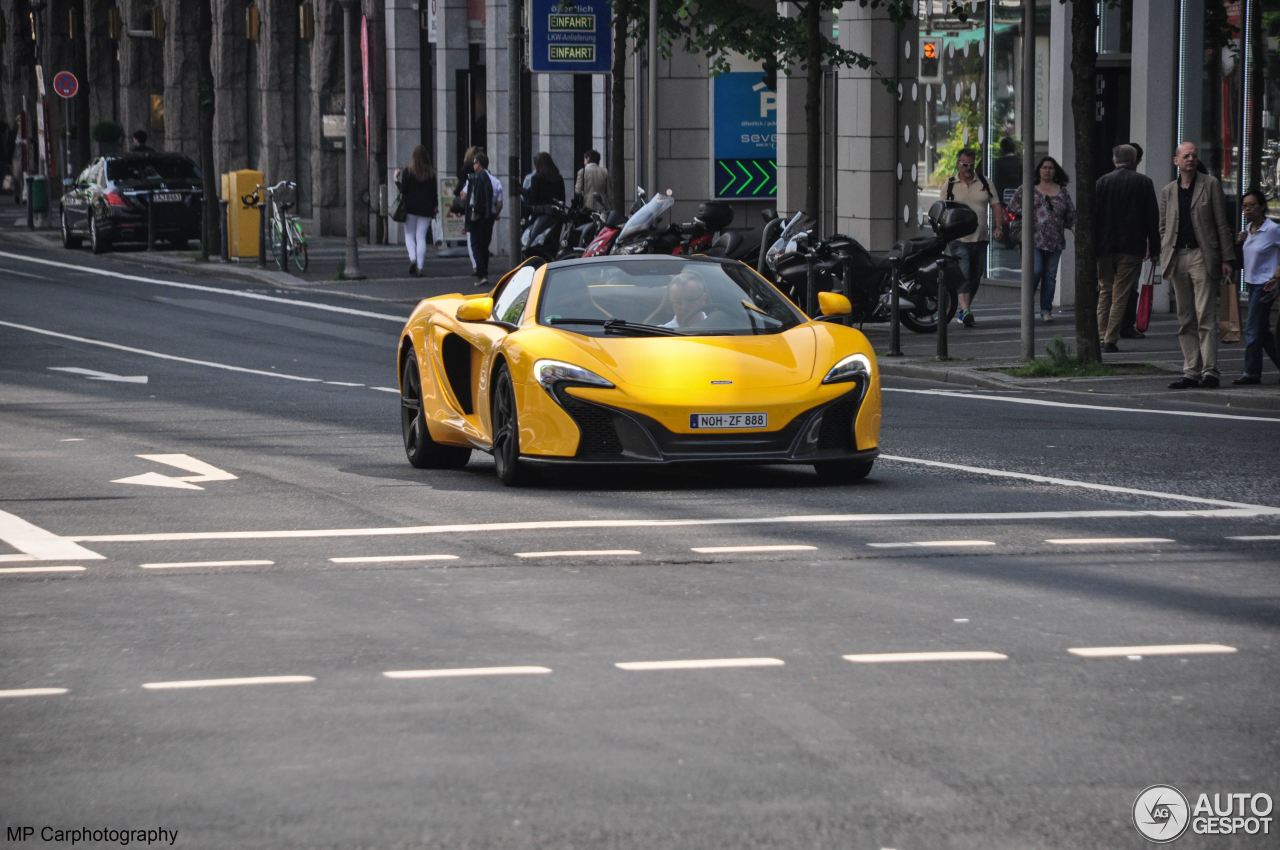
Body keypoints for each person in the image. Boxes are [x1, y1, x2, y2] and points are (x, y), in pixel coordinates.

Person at [1159, 141, 1235, 389]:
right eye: (1186, 156)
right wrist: (1164, 248)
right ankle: (1190, 370)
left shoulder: (1210, 184)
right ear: (1176, 161)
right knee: (1185, 317)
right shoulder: (1168, 191)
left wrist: (1226, 258)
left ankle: (1210, 370)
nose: (1191, 159)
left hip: (1202, 255)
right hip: (1177, 256)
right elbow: (1163, 226)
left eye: (1193, 155)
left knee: (1205, 315)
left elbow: (1221, 222)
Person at [1094, 144, 1160, 352]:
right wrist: (1155, 247)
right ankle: (1111, 338)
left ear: (1115, 160)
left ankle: (1100, 332)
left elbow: (1094, 215)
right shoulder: (1144, 183)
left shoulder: (1102, 182)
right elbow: (1152, 217)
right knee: (1121, 292)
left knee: (1105, 289)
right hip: (1132, 245)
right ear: (1134, 161)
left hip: (1104, 246)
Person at [1008, 156, 1075, 323]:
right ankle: (1027, 304)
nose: (1047, 171)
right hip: (1032, 239)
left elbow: (1071, 216)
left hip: (1055, 240)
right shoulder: (1028, 189)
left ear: (1055, 171)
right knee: (1036, 270)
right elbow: (1012, 209)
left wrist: (1076, 231)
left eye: (1051, 168)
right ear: (1038, 170)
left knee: (1050, 276)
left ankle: (1046, 310)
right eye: (1044, 167)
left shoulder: (1062, 191)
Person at [944, 148, 1004, 327]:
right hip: (958, 238)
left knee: (975, 275)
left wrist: (998, 226)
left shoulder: (985, 182)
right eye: (964, 165)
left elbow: (996, 205)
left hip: (980, 237)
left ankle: (964, 310)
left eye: (971, 164)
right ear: (958, 164)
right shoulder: (950, 184)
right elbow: (942, 208)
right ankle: (966, 310)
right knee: (964, 272)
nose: (968, 168)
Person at [1231, 189, 1280, 384]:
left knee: (1252, 329)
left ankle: (1251, 372)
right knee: (1262, 331)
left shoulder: (1272, 229)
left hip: (1265, 285)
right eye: (1245, 206)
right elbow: (1242, 259)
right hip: (1251, 283)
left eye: (1252, 205)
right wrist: (1239, 242)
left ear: (1261, 206)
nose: (1247, 209)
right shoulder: (1249, 230)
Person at [457, 151, 503, 287]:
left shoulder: (474, 179)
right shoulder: (495, 181)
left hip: (476, 216)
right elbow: (500, 203)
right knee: (484, 245)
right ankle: (485, 272)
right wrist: (495, 214)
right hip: (489, 217)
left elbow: (464, 195)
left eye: (475, 162)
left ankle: (481, 273)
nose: (473, 165)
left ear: (480, 164)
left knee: (475, 244)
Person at [393, 144, 439, 277]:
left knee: (409, 235)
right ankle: (420, 266)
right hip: (426, 209)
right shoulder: (431, 173)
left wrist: (396, 179)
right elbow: (433, 193)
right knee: (421, 237)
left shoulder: (408, 172)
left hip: (410, 208)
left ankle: (412, 258)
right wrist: (435, 206)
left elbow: (404, 191)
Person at [991, 137, 1021, 208]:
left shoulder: (997, 163)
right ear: (1014, 148)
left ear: (1002, 149)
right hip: (1019, 201)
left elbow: (995, 182)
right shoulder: (1020, 163)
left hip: (1001, 202)